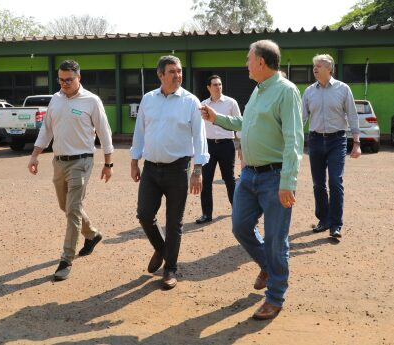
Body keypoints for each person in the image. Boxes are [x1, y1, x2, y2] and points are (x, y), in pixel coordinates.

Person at [201, 40, 304, 320]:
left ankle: (275, 296)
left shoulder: (286, 92)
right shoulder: (259, 90)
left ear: (261, 61)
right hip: (249, 175)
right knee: (241, 226)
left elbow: (295, 139)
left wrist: (288, 181)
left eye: (248, 58)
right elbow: (246, 123)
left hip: (274, 176)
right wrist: (217, 118)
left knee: (275, 239)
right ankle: (267, 266)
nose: (245, 63)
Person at [28, 60, 114, 281]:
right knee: (65, 206)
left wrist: (108, 163)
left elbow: (104, 132)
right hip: (59, 161)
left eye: (69, 80)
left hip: (82, 162)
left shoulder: (91, 101)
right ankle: (92, 235)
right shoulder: (55, 100)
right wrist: (35, 155)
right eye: (61, 79)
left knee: (73, 209)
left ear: (79, 78)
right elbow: (46, 130)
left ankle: (66, 260)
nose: (64, 84)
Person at [130, 55, 209, 290]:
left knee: (174, 222)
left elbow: (199, 137)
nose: (177, 75)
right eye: (172, 71)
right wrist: (135, 160)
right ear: (160, 75)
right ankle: (161, 249)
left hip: (179, 169)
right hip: (151, 169)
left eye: (179, 71)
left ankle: (170, 269)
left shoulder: (191, 101)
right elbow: (140, 131)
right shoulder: (148, 99)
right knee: (144, 215)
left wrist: (198, 169)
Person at [302, 54, 361, 240]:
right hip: (316, 140)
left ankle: (336, 224)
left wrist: (357, 142)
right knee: (318, 184)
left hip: (337, 140)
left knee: (335, 182)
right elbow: (301, 118)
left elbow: (352, 116)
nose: (315, 69)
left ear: (330, 69)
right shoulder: (309, 91)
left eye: (319, 66)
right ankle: (324, 220)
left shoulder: (343, 89)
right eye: (314, 66)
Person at [196, 75, 242, 224]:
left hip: (226, 145)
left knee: (229, 179)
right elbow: (197, 128)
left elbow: (240, 124)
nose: (218, 87)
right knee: (206, 180)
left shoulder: (231, 103)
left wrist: (240, 145)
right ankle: (206, 214)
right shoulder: (203, 105)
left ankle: (237, 211)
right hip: (208, 146)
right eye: (215, 85)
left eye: (220, 84)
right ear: (209, 87)